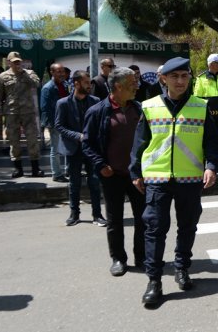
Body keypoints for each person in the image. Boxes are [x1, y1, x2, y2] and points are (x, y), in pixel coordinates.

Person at [130, 57, 218, 306]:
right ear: (164, 79)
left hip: (190, 178)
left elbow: (212, 142)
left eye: (184, 76)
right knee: (155, 230)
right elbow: (139, 144)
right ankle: (154, 281)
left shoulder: (201, 107)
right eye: (175, 76)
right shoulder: (148, 107)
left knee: (188, 227)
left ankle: (182, 268)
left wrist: (212, 166)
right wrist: (135, 172)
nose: (180, 81)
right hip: (157, 179)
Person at [83, 67, 146, 277]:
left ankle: (142, 257)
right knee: (115, 220)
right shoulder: (98, 111)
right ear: (118, 87)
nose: (137, 87)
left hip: (137, 176)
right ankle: (118, 258)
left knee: (143, 218)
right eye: (132, 84)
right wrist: (101, 165)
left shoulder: (139, 109)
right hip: (112, 176)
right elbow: (88, 144)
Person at [55, 70, 105, 227]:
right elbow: (59, 126)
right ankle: (74, 214)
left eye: (89, 82)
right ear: (76, 83)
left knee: (95, 182)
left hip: (92, 149)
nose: (89, 85)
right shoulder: (63, 103)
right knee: (74, 183)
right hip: (73, 149)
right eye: (85, 82)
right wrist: (78, 136)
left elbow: (100, 123)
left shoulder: (96, 101)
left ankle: (97, 215)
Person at [0, 51, 44, 178]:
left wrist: (24, 74)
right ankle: (18, 169)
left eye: (19, 61)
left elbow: (37, 84)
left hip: (28, 112)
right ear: (9, 62)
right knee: (14, 141)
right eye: (14, 61)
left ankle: (36, 168)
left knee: (32, 140)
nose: (17, 63)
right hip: (11, 113)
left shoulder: (29, 73)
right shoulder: (3, 76)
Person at [192, 53, 218, 173]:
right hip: (208, 115)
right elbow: (197, 98)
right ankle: (205, 166)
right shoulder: (201, 78)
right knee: (206, 141)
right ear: (211, 64)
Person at [40, 63, 70, 183]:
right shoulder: (48, 88)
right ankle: (57, 174)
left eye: (62, 71)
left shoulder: (64, 84)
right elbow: (45, 107)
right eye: (58, 71)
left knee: (68, 147)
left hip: (65, 120)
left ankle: (69, 170)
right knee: (56, 149)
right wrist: (52, 123)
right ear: (52, 72)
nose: (61, 74)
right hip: (55, 122)